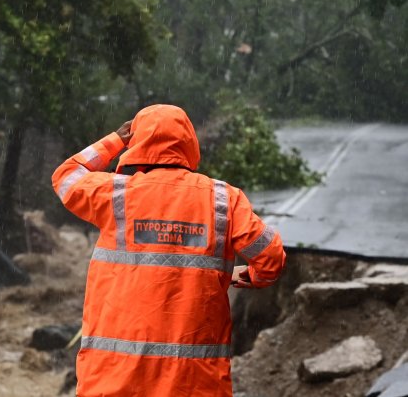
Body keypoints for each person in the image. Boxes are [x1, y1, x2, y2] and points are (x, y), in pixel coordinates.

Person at [52, 104, 286, 397]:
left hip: (115, 382)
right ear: (189, 144)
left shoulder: (115, 194)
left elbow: (66, 176)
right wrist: (234, 276)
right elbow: (271, 260)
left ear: (138, 144)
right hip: (194, 385)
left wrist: (115, 139)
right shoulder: (224, 199)